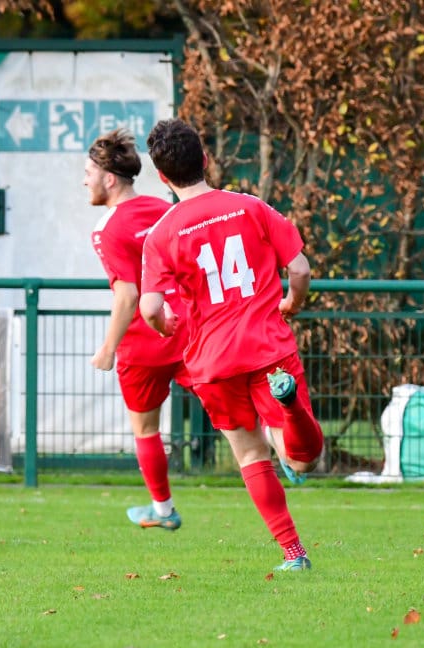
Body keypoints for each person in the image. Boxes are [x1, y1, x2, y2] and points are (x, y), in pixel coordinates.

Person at [139, 118, 324, 572]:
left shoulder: (161, 234)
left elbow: (149, 307)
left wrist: (165, 325)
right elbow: (300, 268)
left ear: (161, 176)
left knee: (251, 455)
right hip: (268, 347)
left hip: (213, 360)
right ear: (205, 159)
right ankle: (290, 409)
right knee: (302, 462)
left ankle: (293, 554)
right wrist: (292, 302)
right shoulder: (249, 207)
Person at [84, 127, 191, 531]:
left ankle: (163, 511)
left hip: (144, 344)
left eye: (88, 173)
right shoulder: (165, 209)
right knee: (237, 412)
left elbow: (127, 295)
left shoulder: (106, 229)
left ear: (109, 179)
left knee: (146, 430)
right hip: (185, 329)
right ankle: (289, 452)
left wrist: (108, 348)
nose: (84, 181)